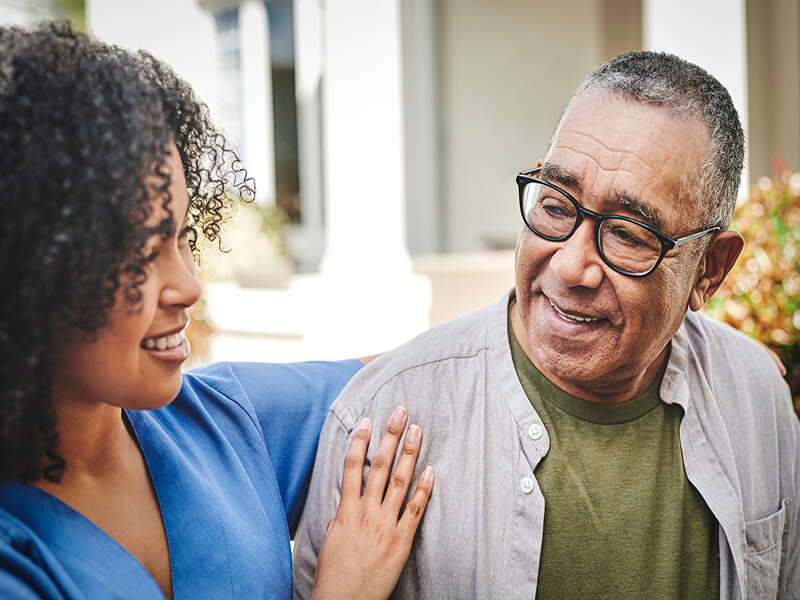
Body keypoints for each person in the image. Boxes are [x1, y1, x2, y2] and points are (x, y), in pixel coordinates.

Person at [293, 51, 799, 599]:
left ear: (710, 269)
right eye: (557, 204)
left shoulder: (756, 398)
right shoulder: (381, 426)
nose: (568, 265)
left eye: (628, 233)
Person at [0, 21, 433, 599]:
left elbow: (431, 372)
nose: (187, 286)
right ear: (31, 273)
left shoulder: (222, 424)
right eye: (137, 254)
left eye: (180, 237)